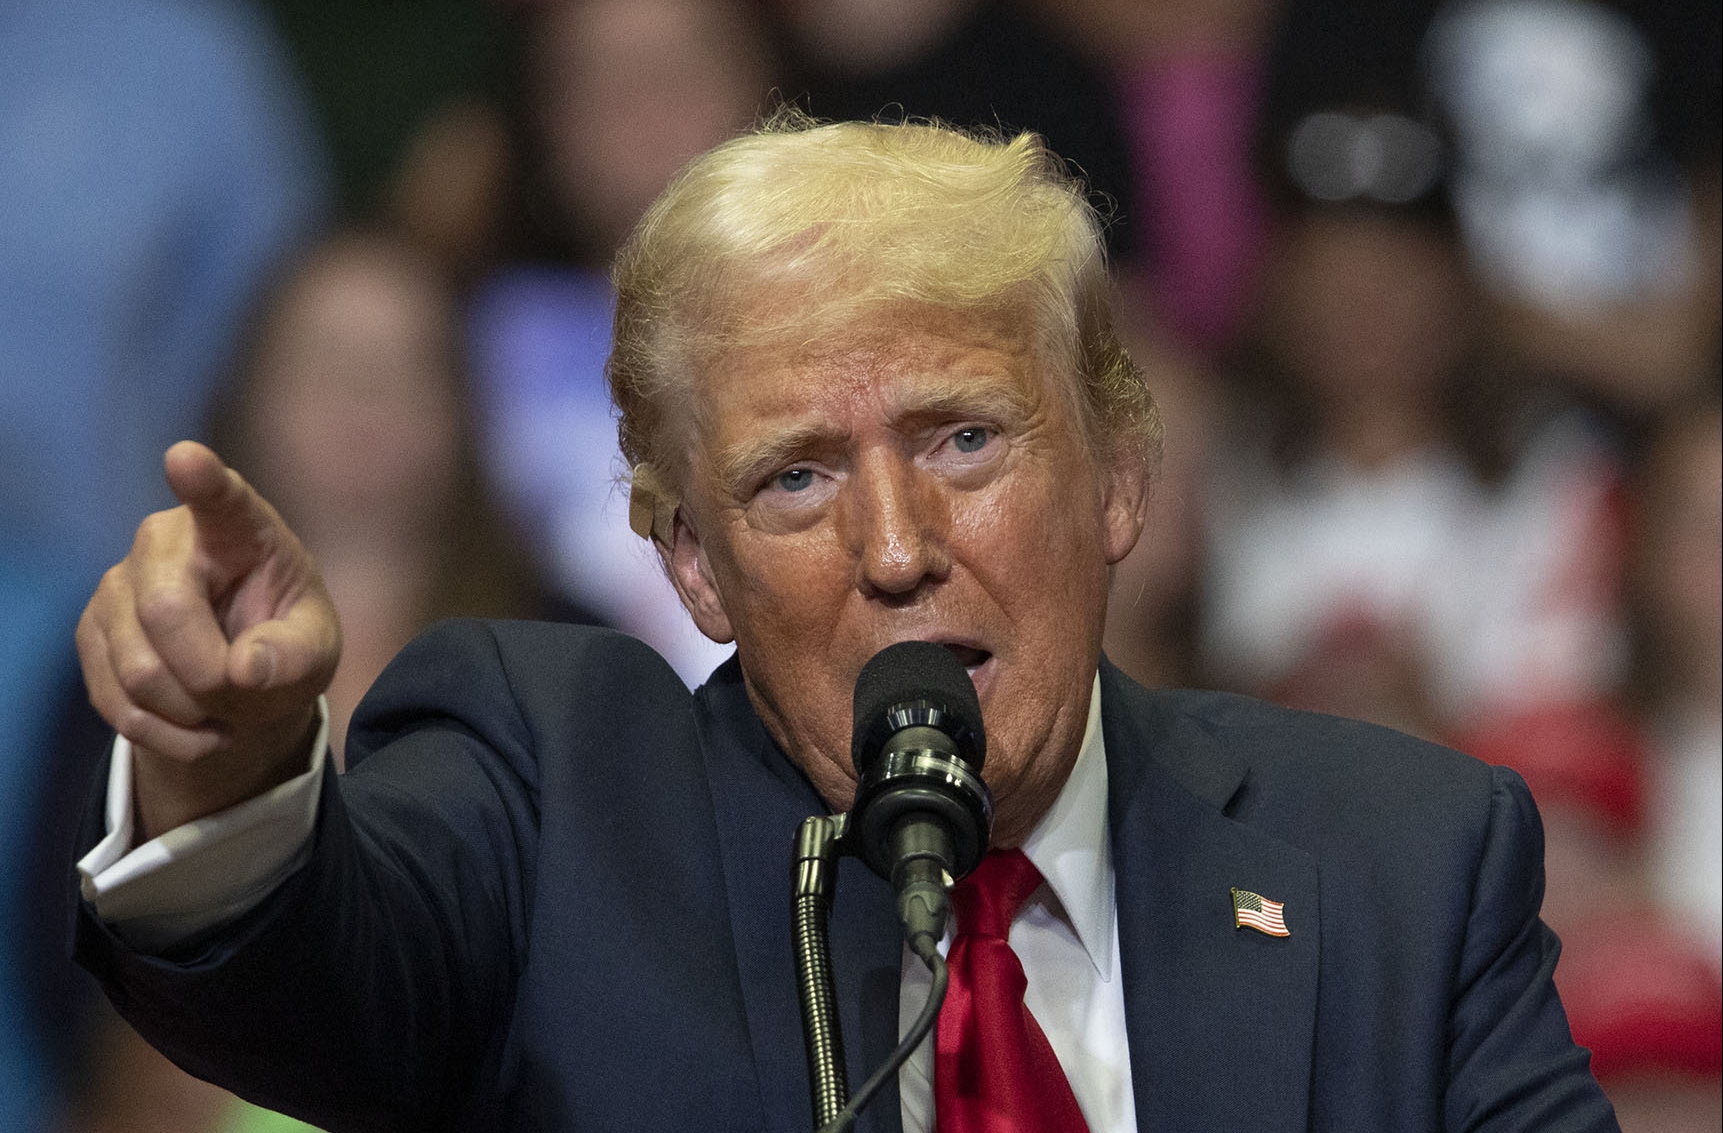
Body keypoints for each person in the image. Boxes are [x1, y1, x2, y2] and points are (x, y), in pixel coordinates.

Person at [69, 114, 1619, 1131]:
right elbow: (314, 981)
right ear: (693, 564)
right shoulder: (557, 807)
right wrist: (226, 764)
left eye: (964, 439)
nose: (893, 548)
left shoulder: (1400, 864)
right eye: (796, 477)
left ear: (1118, 475)